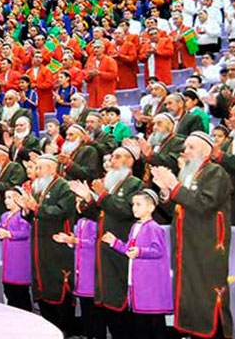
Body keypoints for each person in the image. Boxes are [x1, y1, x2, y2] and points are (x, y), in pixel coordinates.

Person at [149, 132, 233, 338]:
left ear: (206, 151)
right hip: (186, 246)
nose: (185, 152)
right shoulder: (188, 174)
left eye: (191, 147)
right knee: (189, 296)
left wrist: (175, 186)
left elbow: (204, 204)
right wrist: (166, 192)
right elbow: (176, 211)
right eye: (185, 148)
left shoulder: (216, 172)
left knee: (207, 297)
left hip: (207, 246)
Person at [72, 145, 143, 339]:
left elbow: (126, 211)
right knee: (108, 303)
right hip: (104, 252)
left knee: (121, 305)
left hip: (121, 250)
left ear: (130, 161)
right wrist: (88, 199)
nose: (112, 161)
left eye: (117, 157)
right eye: (112, 157)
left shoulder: (135, 184)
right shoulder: (111, 184)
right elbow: (99, 215)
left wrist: (102, 195)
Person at [105, 190, 172, 339]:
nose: (134, 207)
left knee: (155, 324)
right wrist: (114, 242)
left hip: (150, 285)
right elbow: (129, 250)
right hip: (138, 283)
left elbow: (158, 250)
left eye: (138, 204)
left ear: (151, 208)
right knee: (141, 324)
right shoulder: (135, 226)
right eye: (133, 204)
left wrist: (140, 251)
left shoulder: (154, 227)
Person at [20, 154, 76, 334]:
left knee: (58, 286)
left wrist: (35, 207)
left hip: (56, 247)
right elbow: (34, 216)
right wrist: (26, 209)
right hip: (39, 246)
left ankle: (66, 331)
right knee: (42, 286)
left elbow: (61, 212)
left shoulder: (63, 187)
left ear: (51, 169)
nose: (36, 172)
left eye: (39, 168)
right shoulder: (38, 188)